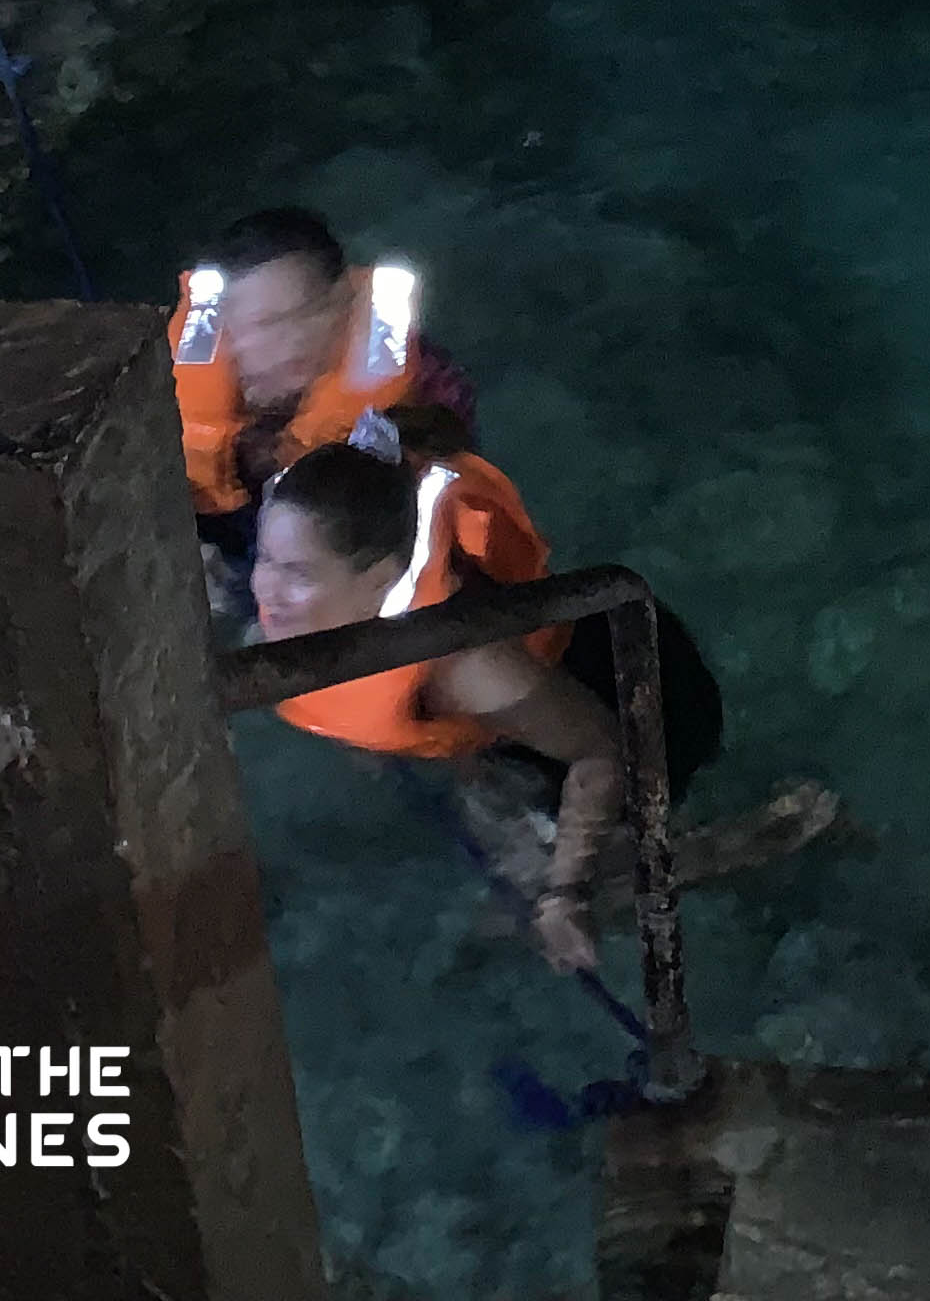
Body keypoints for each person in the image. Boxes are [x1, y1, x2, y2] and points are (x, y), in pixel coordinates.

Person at [252, 440, 627, 976]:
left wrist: (565, 892)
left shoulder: (463, 666)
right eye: (265, 558)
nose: (267, 588)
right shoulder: (322, 598)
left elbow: (599, 749)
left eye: (299, 574)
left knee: (490, 933)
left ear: (380, 579)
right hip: (476, 730)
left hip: (584, 717)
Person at [169, 205, 478, 572]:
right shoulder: (187, 396)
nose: (287, 343)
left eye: (303, 314)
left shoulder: (421, 397)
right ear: (227, 327)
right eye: (260, 325)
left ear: (341, 303)